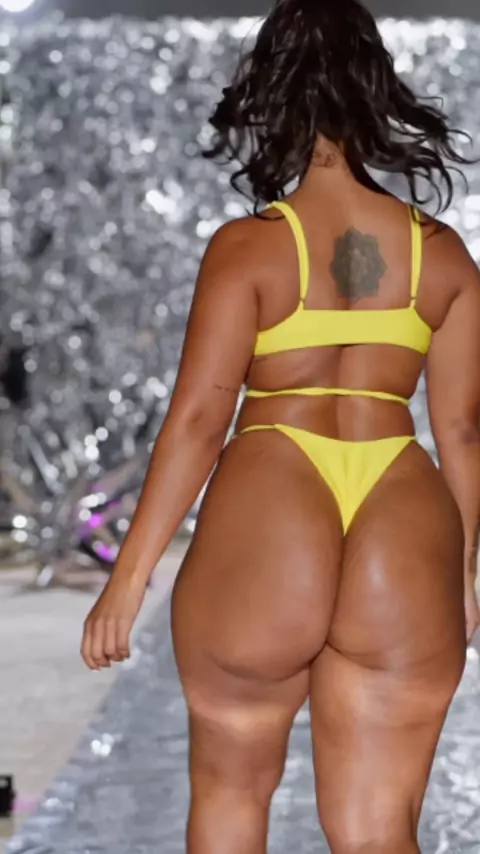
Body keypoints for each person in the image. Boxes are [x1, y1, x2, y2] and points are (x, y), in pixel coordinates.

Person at [81, 1, 480, 852]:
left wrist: (128, 577)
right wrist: (465, 572)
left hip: (274, 490)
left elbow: (199, 420)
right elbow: (464, 432)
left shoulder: (252, 248)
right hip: (402, 506)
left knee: (233, 795)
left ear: (273, 95)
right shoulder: (443, 255)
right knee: (379, 831)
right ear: (376, 92)